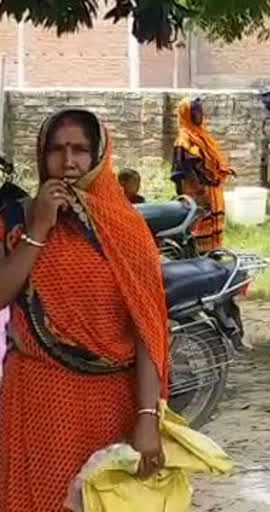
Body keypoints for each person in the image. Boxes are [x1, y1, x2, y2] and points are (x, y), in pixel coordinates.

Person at [0, 109, 169, 511]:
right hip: (38, 399)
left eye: (80, 150)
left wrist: (147, 415)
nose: (69, 161)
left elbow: (149, 327)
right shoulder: (16, 219)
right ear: (43, 156)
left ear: (98, 156)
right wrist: (39, 230)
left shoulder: (126, 228)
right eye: (57, 150)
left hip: (115, 403)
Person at [171, 97, 235, 253]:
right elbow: (184, 168)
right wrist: (199, 189)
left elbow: (212, 159)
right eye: (195, 112)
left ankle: (214, 251)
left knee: (213, 223)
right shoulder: (184, 139)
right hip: (198, 191)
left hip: (212, 189)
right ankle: (198, 254)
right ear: (187, 114)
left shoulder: (203, 136)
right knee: (199, 224)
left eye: (200, 111)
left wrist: (223, 170)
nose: (200, 115)